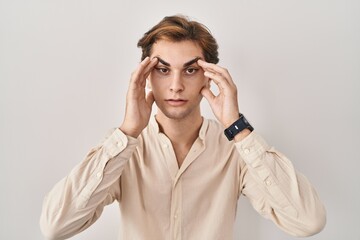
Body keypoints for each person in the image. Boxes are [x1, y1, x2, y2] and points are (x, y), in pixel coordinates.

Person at [40, 15, 326, 240]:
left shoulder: (234, 151)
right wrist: (127, 132)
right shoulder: (122, 151)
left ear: (208, 76)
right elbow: (55, 226)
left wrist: (237, 127)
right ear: (147, 76)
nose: (176, 85)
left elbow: (308, 221)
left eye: (190, 70)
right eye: (163, 70)